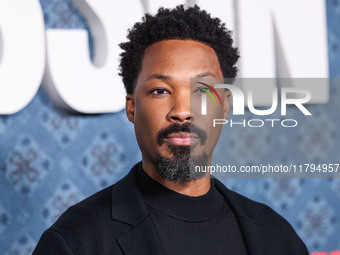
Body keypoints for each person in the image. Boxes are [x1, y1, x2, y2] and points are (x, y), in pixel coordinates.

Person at [33, 5, 308, 254]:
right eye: (160, 90)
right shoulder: (76, 241)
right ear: (131, 108)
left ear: (225, 107)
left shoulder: (276, 235)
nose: (183, 111)